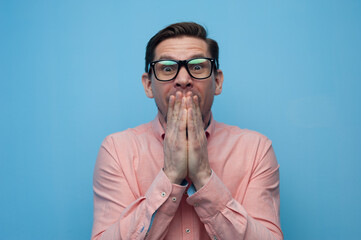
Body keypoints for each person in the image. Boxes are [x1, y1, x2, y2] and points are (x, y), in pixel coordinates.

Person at [91, 22, 283, 240]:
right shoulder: (117, 150)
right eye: (167, 68)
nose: (183, 80)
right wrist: (170, 176)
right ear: (148, 85)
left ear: (217, 81)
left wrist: (203, 176)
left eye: (198, 66)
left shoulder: (256, 149)